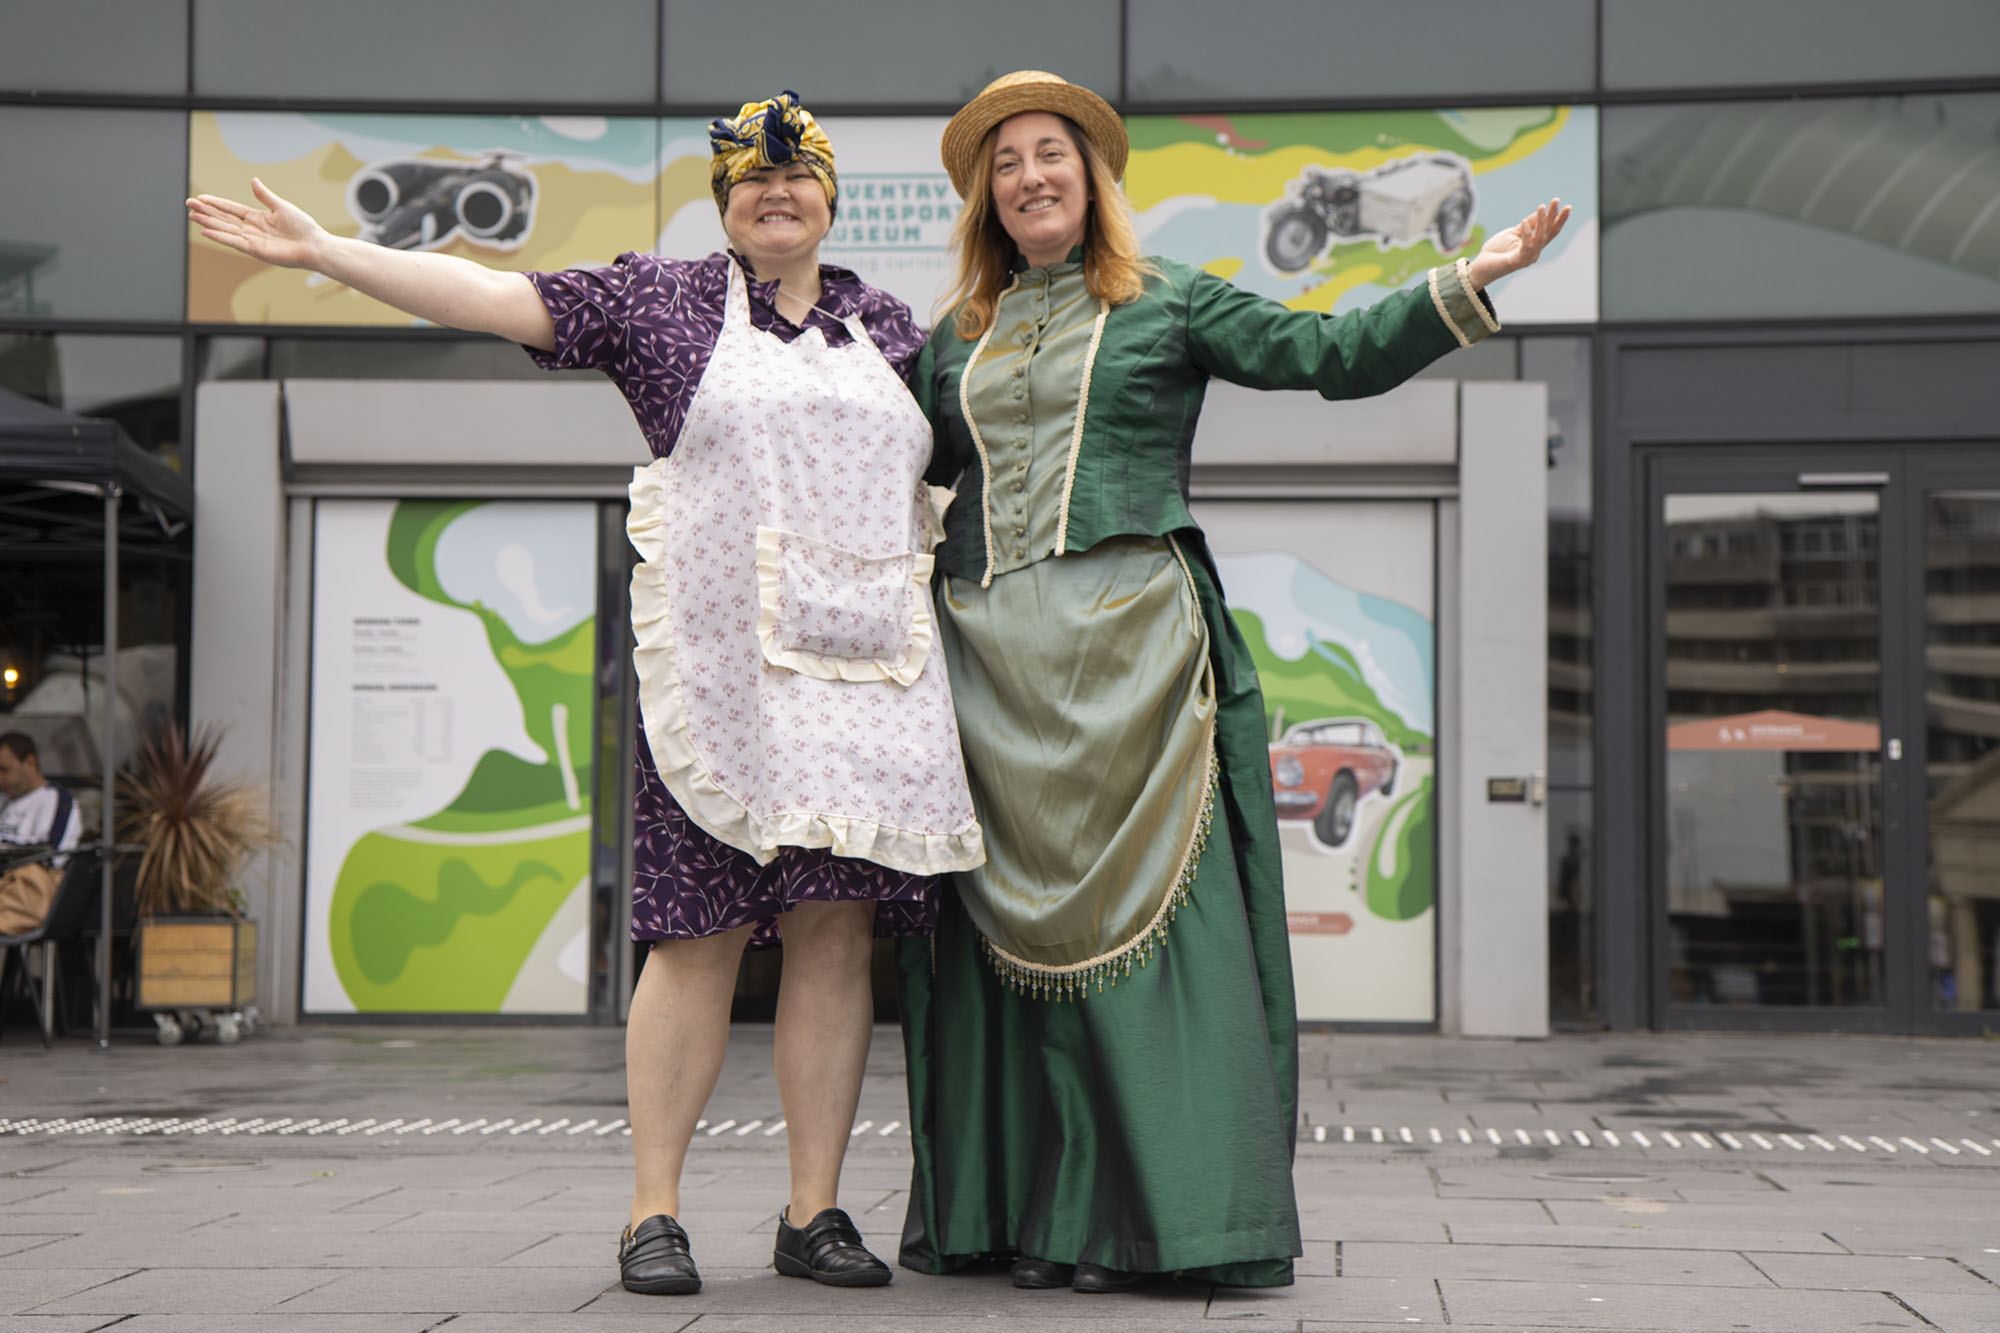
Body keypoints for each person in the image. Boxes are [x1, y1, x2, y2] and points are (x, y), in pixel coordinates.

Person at [188, 90, 982, 1296]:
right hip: (718, 680)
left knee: (835, 937)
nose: (777, 193)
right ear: (725, 202)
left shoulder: (894, 332)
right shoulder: (657, 300)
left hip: (865, 675)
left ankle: (813, 1212)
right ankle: (651, 1212)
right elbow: (493, 295)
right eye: (751, 181)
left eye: (799, 176)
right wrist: (326, 254)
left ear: (828, 196)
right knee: (698, 935)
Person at [895, 71, 1569, 1292]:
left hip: (1133, 658)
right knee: (1002, 944)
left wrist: (1463, 282)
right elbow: (878, 455)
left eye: (1050, 154)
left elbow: (1326, 354)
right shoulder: (954, 339)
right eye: (1006, 163)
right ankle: (1034, 1216)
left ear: (1090, 177)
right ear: (983, 196)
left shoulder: (1164, 301)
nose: (1030, 176)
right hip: (985, 670)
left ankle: (1143, 1222)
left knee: (1151, 931)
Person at [0, 732, 82, 935]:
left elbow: (53, 854)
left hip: (25, 892)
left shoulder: (56, 800)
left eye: (5, 770)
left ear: (30, 762)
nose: (0, 778)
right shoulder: (4, 800)